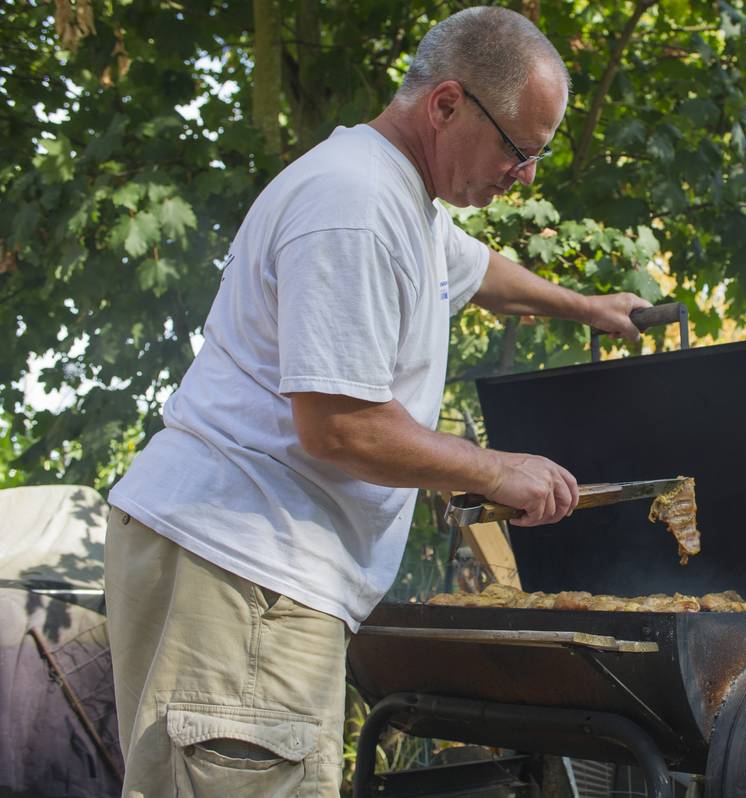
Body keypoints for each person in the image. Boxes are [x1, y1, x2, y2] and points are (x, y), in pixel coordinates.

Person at [103, 7, 650, 796]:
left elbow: (481, 272)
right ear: (447, 105)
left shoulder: (405, 200)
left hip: (247, 575)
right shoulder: (355, 206)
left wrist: (588, 306)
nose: (525, 174)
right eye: (519, 149)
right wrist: (497, 470)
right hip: (245, 576)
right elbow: (342, 426)